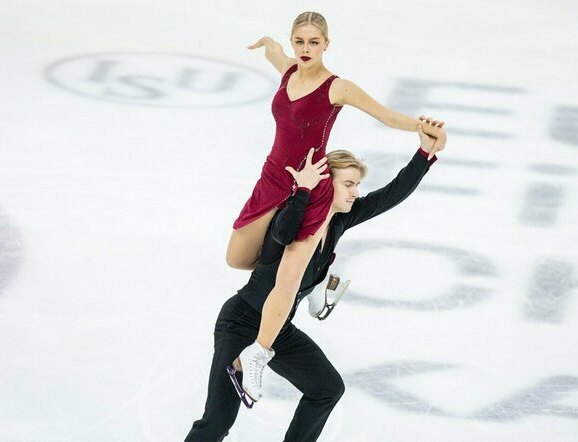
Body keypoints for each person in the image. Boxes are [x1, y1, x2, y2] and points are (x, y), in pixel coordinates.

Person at [225, 11, 448, 403]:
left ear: (327, 43)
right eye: (299, 41)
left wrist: (421, 128)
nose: (306, 49)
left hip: (311, 182)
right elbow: (276, 56)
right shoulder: (289, 70)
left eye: (314, 42)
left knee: (286, 279)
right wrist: (269, 45)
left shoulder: (337, 87)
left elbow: (385, 114)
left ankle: (257, 354)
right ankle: (319, 278)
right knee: (240, 260)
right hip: (273, 180)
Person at [185, 120, 444, 442]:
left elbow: (390, 195)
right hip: (241, 323)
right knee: (218, 420)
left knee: (327, 388)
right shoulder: (293, 217)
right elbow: (281, 233)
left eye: (357, 185)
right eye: (348, 184)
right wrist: (305, 191)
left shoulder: (340, 220)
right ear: (327, 183)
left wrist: (425, 154)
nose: (355, 192)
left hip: (279, 326)